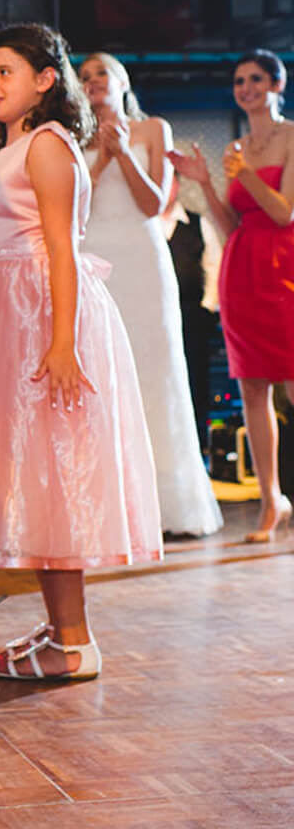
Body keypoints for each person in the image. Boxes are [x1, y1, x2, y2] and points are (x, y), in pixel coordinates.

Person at [0, 23, 162, 682]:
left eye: (6, 72)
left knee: (52, 474)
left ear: (46, 79)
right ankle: (63, 629)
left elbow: (61, 250)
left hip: (38, 318)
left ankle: (74, 642)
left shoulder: (46, 144)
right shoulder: (19, 146)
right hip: (8, 316)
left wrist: (64, 342)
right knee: (33, 476)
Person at [79, 53, 222, 538]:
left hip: (142, 260)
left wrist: (121, 151)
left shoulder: (152, 129)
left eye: (103, 73)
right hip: (93, 259)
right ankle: (104, 505)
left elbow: (154, 204)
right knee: (99, 373)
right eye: (86, 76)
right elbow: (74, 209)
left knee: (154, 371)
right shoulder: (73, 136)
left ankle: (166, 502)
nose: (94, 81)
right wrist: (99, 158)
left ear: (122, 81)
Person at [169, 49, 294, 543]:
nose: (247, 88)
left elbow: (285, 213)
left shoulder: (290, 137)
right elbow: (227, 226)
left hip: (285, 269)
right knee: (252, 391)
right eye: (240, 80)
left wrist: (241, 174)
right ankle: (270, 502)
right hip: (241, 270)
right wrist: (207, 185)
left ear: (277, 85)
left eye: (257, 79)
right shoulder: (235, 146)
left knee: (291, 383)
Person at [161, 175, 223, 451]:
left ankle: (199, 452)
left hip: (192, 319)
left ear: (176, 185)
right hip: (154, 320)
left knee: (195, 385)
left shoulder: (197, 223)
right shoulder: (143, 226)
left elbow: (215, 268)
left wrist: (207, 309)